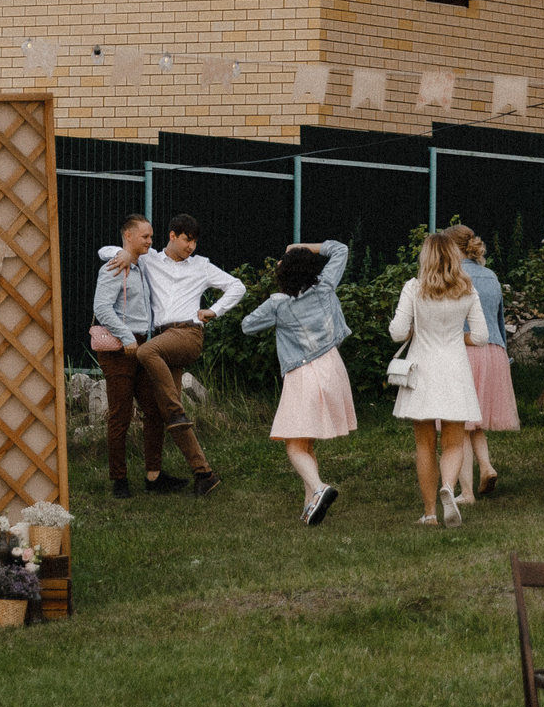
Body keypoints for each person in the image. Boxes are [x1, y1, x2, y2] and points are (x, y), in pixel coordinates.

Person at [240, 240, 356, 526]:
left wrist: (275, 307)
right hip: (333, 368)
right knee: (306, 443)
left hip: (303, 375)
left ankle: (319, 489)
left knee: (293, 444)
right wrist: (304, 246)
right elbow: (340, 249)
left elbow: (247, 325)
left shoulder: (278, 305)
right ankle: (309, 506)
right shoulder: (326, 287)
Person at [134, 212, 244, 497]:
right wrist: (121, 254)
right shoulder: (149, 261)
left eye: (194, 242)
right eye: (187, 240)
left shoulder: (201, 266)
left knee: (145, 352)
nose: (191, 247)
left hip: (187, 335)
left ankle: (176, 411)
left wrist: (214, 311)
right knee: (160, 412)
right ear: (172, 236)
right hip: (164, 338)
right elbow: (107, 252)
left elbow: (237, 286)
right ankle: (203, 474)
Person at [389, 231, 486, 528]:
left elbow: (396, 332)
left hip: (423, 372)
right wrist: (458, 337)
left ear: (426, 257)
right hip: (455, 370)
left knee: (424, 444)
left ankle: (430, 512)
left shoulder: (414, 288)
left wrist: (417, 332)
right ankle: (448, 485)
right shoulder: (467, 290)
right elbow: (481, 337)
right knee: (454, 442)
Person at [89, 220, 168, 498]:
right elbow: (101, 308)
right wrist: (126, 337)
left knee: (155, 410)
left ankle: (154, 476)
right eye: (145, 236)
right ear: (129, 235)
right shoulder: (114, 267)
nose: (149, 240)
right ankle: (119, 481)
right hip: (120, 350)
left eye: (151, 236)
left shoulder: (142, 266)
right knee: (120, 416)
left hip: (145, 347)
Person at [444, 225, 519, 500]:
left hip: (464, 349)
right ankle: (486, 466)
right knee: (475, 422)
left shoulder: (452, 276)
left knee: (458, 424)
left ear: (453, 247)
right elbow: (498, 319)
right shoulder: (491, 276)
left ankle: (466, 492)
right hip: (493, 351)